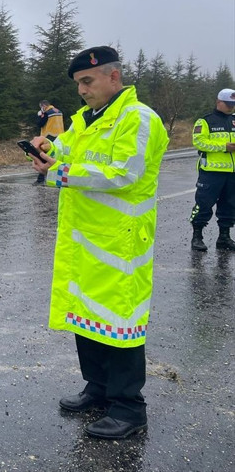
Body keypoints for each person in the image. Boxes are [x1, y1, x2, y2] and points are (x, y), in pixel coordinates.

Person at [27, 46, 169, 440]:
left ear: (113, 77)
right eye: (77, 84)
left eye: (87, 82)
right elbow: (67, 149)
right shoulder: (87, 119)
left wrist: (61, 171)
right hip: (85, 237)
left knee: (121, 320)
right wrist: (47, 149)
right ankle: (98, 388)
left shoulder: (139, 119)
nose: (82, 91)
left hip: (121, 242)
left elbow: (124, 172)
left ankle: (129, 408)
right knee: (87, 315)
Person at [189, 88, 235, 252]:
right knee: (203, 205)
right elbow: (199, 142)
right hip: (211, 172)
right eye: (228, 104)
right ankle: (197, 237)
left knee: (229, 206)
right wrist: (224, 147)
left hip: (232, 173)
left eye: (233, 104)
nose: (231, 107)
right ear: (218, 102)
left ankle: (224, 237)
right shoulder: (205, 121)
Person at [35, 100, 65, 183]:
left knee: (44, 157)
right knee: (59, 157)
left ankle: (40, 180)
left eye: (41, 107)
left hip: (49, 136)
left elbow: (39, 124)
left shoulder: (46, 113)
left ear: (43, 106)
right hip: (60, 136)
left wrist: (40, 115)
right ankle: (61, 177)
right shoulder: (58, 111)